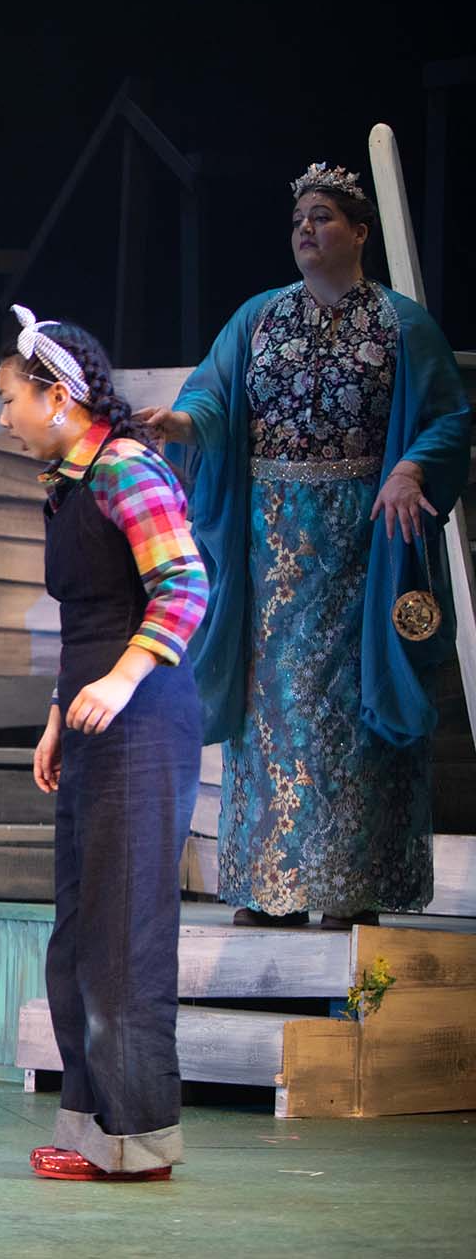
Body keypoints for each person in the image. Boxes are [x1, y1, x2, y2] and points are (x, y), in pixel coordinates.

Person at [138, 162, 470, 930]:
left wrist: (411, 468)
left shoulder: (401, 324)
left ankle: (349, 886)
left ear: (359, 232)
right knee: (273, 708)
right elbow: (212, 395)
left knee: (354, 710)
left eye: (322, 217)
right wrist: (180, 425)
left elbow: (451, 418)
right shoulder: (259, 318)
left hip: (363, 548)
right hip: (273, 551)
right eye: (298, 219)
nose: (306, 229)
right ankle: (267, 882)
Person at [0, 306, 209, 1181]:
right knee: (81, 935)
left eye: (11, 398)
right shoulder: (69, 484)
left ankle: (141, 1139)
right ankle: (95, 1128)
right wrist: (58, 714)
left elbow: (185, 585)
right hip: (91, 727)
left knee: (125, 937)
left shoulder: (126, 467)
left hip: (143, 725)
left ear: (58, 396)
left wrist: (121, 682)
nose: (5, 415)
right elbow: (83, 622)